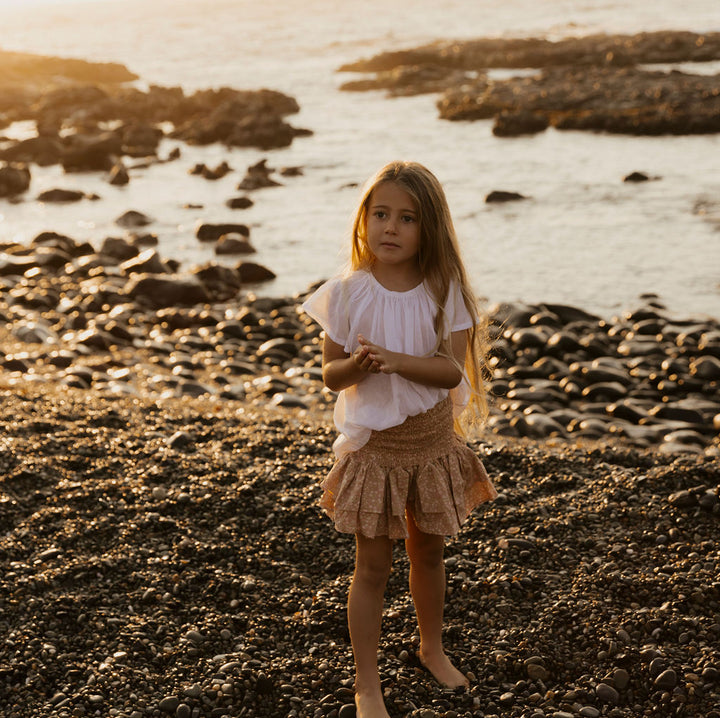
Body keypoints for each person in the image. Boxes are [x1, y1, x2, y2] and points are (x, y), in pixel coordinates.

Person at [302, 160, 497, 718]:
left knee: (429, 552)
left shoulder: (444, 288)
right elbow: (331, 376)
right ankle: (367, 683)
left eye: (406, 218)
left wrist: (398, 361)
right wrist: (361, 366)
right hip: (377, 450)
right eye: (380, 213)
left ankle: (430, 648)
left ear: (428, 227)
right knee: (372, 565)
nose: (390, 227)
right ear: (363, 220)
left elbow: (450, 373)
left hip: (433, 443)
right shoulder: (346, 293)